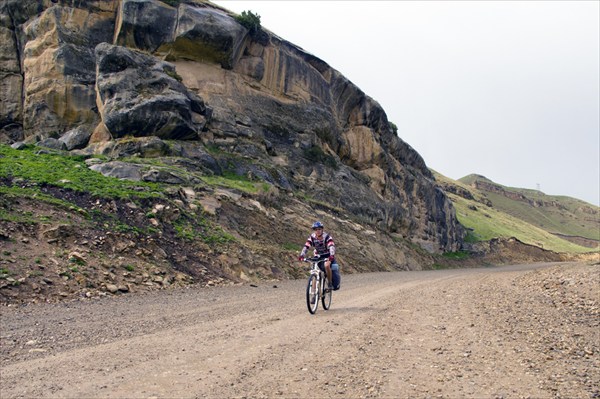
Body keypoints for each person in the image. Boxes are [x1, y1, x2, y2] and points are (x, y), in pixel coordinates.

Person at [298, 221, 338, 293]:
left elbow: (331, 246)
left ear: (322, 229)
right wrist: (302, 255)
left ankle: (329, 283)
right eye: (316, 229)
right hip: (318, 255)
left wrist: (331, 255)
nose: (318, 231)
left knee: (327, 265)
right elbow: (306, 246)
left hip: (328, 255)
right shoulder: (312, 237)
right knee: (315, 271)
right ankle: (313, 293)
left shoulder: (327, 237)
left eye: (319, 229)